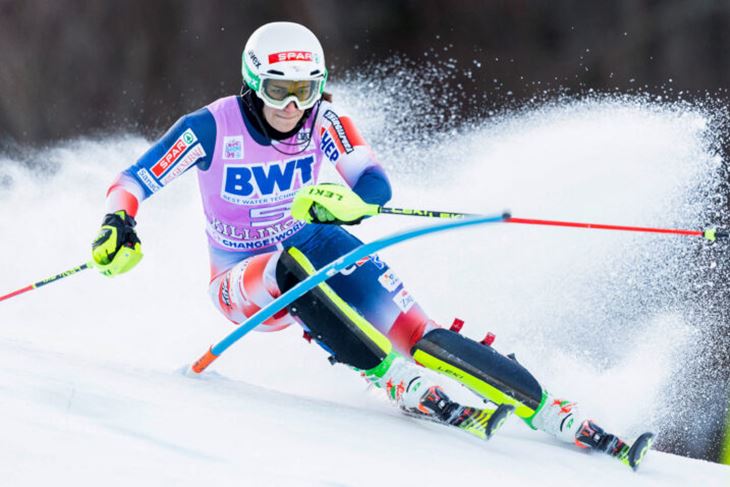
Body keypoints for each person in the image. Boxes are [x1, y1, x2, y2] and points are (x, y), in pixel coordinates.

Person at [91, 21, 652, 466]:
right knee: (291, 263)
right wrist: (119, 223)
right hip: (243, 286)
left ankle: (550, 409)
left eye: (305, 91)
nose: (292, 106)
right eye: (278, 91)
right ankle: (391, 377)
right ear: (252, 83)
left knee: (418, 333)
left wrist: (355, 204)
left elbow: (374, 181)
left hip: (317, 250)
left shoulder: (323, 120)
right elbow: (134, 180)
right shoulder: (212, 127)